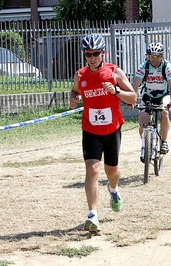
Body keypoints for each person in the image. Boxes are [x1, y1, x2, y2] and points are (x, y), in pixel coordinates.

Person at [69, 34, 137, 233]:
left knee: (112, 172)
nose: (92, 57)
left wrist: (116, 91)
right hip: (90, 129)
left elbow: (132, 96)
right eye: (88, 54)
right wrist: (74, 99)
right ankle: (92, 215)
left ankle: (113, 190)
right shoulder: (80, 75)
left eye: (96, 53)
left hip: (112, 129)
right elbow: (75, 92)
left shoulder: (114, 72)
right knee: (92, 169)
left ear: (103, 53)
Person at [132, 42, 171, 158]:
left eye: (157, 56)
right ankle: (145, 145)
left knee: (165, 113)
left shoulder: (167, 66)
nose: (155, 59)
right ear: (148, 57)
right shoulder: (144, 66)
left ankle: (164, 141)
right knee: (142, 121)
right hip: (148, 96)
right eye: (152, 56)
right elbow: (136, 83)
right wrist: (132, 98)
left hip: (163, 95)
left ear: (162, 56)